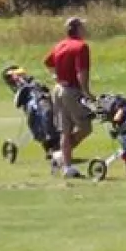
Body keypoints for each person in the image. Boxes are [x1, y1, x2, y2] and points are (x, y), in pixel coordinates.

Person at [44, 17, 95, 178]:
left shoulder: (60, 45)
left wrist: (56, 77)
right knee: (85, 127)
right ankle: (61, 156)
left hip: (58, 90)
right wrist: (86, 92)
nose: (85, 29)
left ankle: (66, 166)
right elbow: (81, 72)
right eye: (82, 26)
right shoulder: (81, 46)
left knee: (65, 131)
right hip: (72, 91)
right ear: (77, 29)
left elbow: (48, 62)